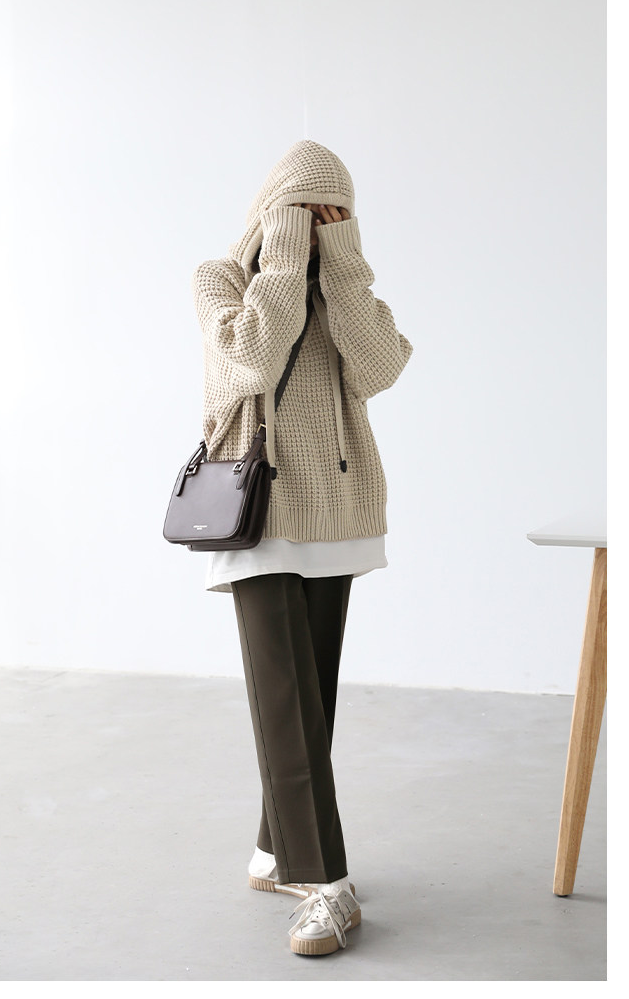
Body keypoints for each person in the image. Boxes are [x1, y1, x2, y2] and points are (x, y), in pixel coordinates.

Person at [191, 140, 414, 956]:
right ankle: (324, 882)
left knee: (307, 695)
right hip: (257, 507)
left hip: (337, 507)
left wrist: (343, 266)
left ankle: (271, 846)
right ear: (271, 212)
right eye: (305, 211)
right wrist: (284, 255)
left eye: (334, 215)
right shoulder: (220, 278)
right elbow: (252, 355)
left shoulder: (344, 294)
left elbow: (381, 368)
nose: (318, 226)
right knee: (284, 690)